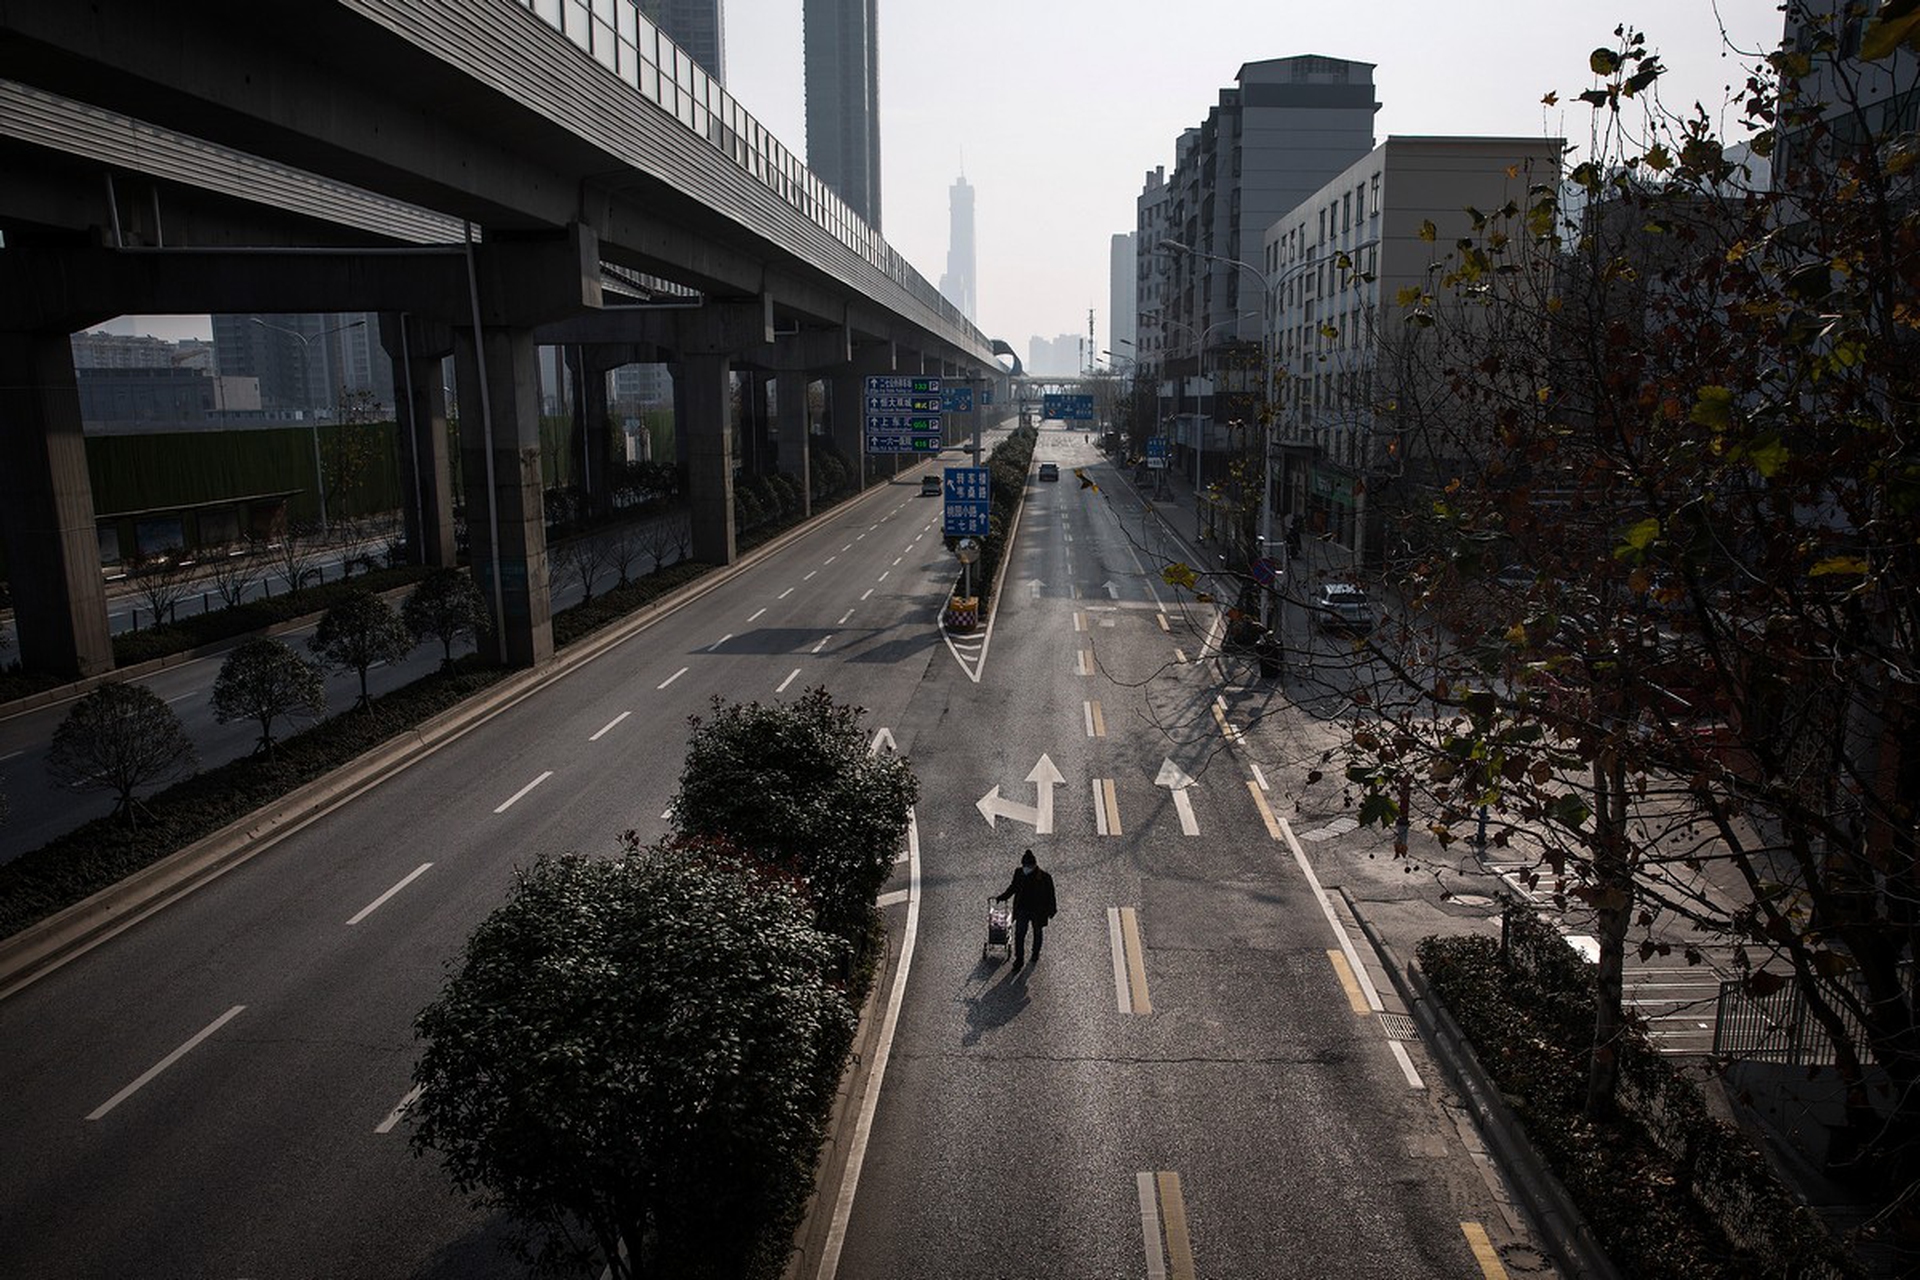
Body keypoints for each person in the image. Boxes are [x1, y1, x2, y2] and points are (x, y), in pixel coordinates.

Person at [994, 849, 1057, 970]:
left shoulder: (1045, 877)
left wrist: (1052, 910)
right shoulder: (1019, 873)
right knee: (1019, 934)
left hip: (1037, 911)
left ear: (1034, 865)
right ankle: (1019, 959)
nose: (1025, 868)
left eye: (1028, 866)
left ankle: (1035, 953)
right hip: (1022, 909)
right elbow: (1013, 887)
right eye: (1024, 866)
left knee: (1037, 932)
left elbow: (1051, 895)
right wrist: (1003, 897)